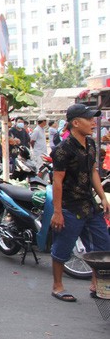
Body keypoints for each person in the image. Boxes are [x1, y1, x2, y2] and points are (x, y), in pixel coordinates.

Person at [49, 104, 110, 302]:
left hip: (89, 204)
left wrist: (102, 196)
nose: (94, 122)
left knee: (102, 247)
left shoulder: (91, 144)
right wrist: (57, 211)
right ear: (76, 123)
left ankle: (96, 285)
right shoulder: (62, 149)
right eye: (89, 119)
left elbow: (93, 171)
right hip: (69, 206)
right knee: (63, 247)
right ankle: (57, 286)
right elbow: (57, 181)